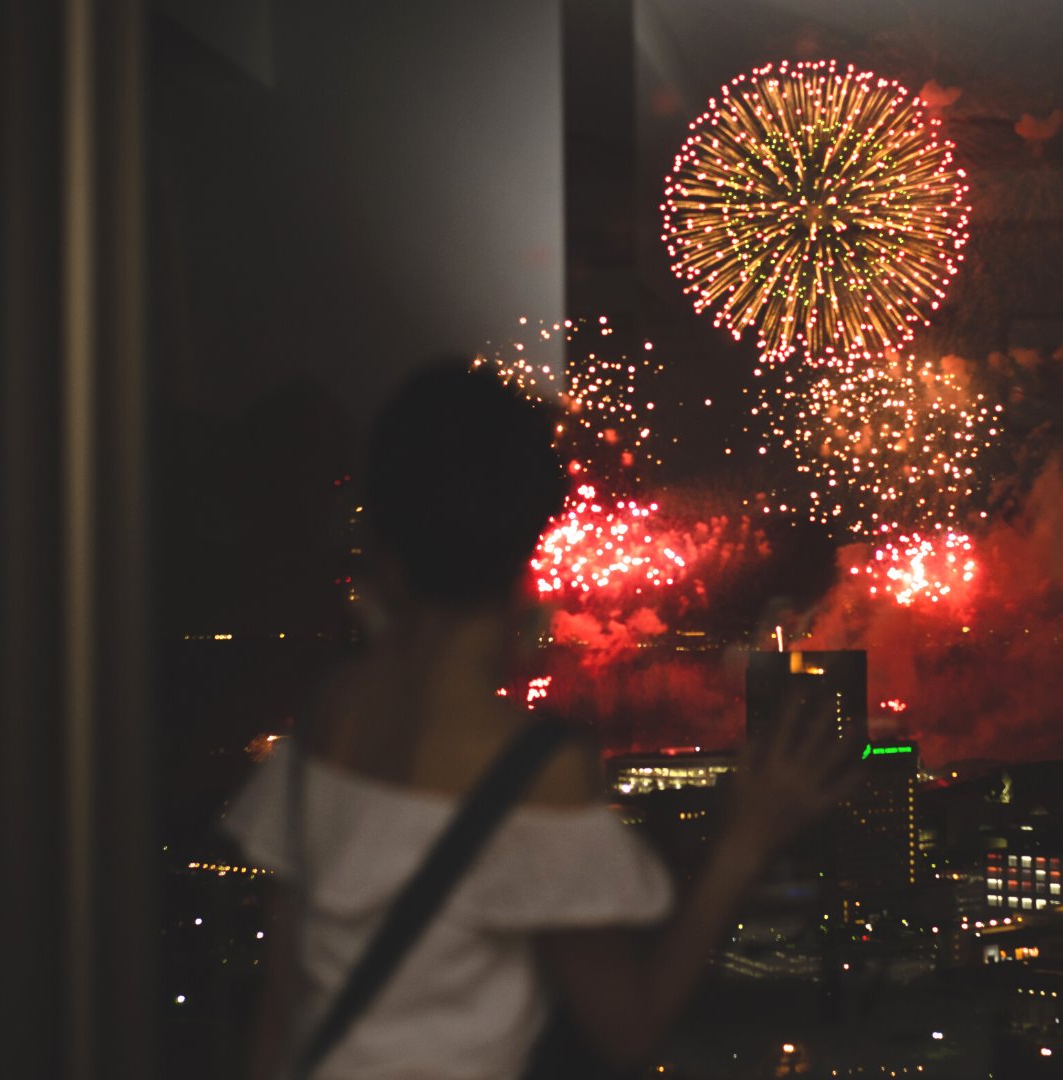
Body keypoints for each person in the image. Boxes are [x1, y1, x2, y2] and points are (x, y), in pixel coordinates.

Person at [224, 364, 857, 1079]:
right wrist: (748, 836)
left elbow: (279, 1010)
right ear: (529, 540)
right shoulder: (531, 767)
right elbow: (630, 1027)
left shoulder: (331, 710)